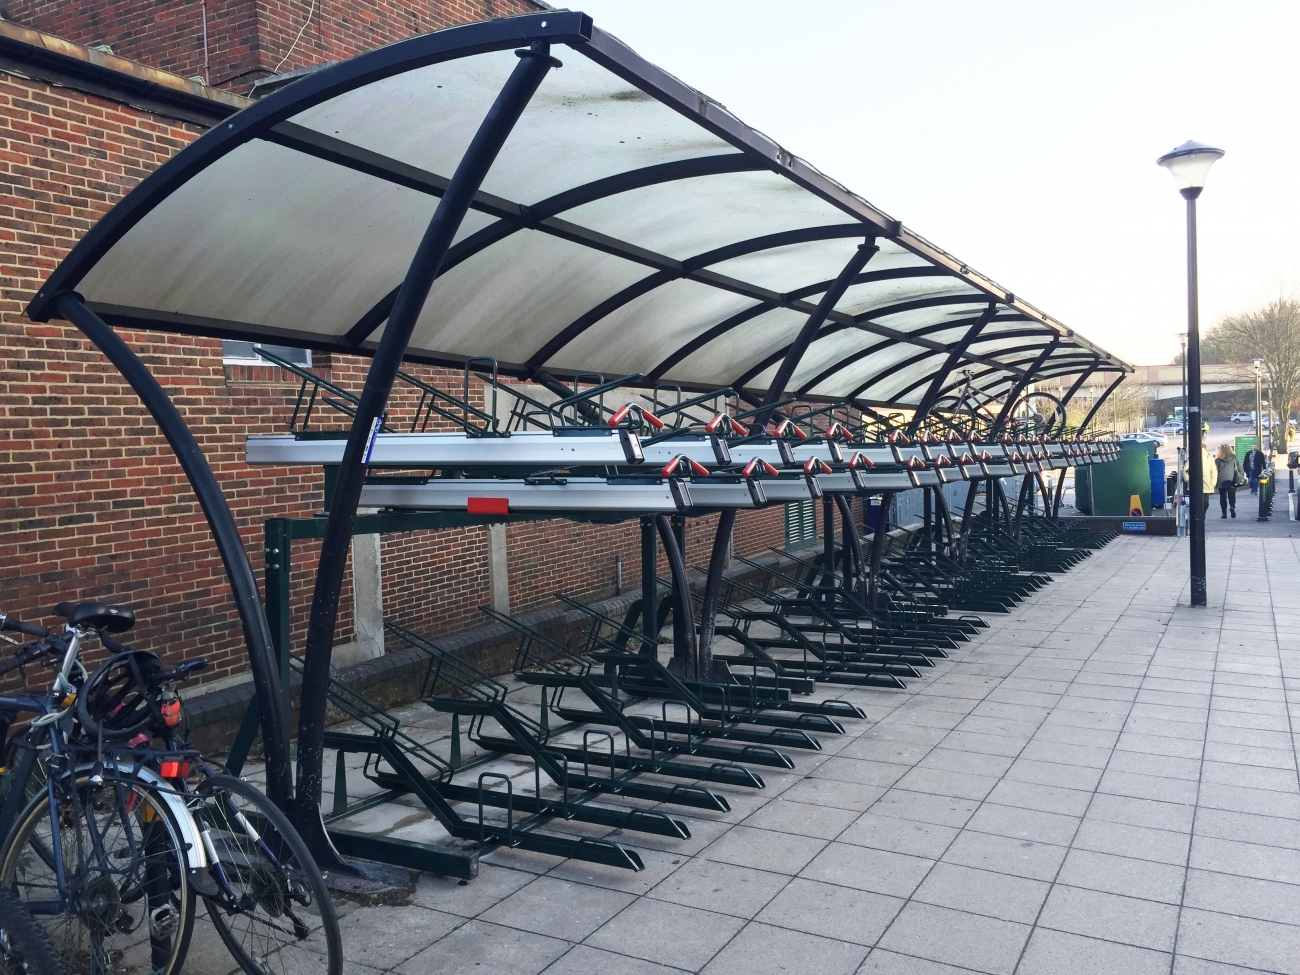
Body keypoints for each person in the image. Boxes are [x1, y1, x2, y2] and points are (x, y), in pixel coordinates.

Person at [1215, 443, 1245, 518]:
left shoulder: (1218, 460)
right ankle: (1232, 507)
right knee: (1232, 496)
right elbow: (1240, 468)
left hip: (1221, 480)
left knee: (1222, 497)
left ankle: (1224, 513)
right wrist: (1241, 476)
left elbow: (1215, 471)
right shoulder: (1234, 458)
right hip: (1232, 479)